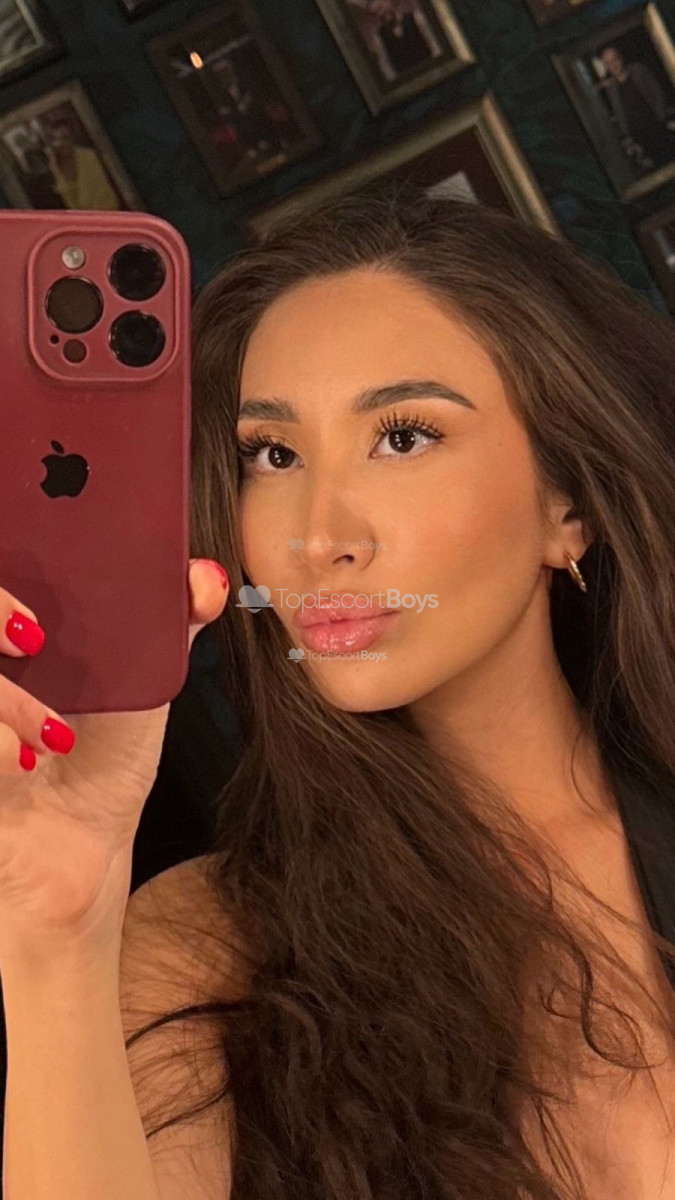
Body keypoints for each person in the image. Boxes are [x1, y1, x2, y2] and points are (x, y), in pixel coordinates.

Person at [0, 182, 674, 1200]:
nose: (318, 537)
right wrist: (55, 936)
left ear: (566, 508)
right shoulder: (211, 951)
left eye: (402, 437)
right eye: (272, 455)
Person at [44, 115, 122, 210]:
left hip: (106, 211)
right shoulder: (53, 165)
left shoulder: (89, 156)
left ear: (72, 138)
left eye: (65, 138)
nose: (61, 143)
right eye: (55, 139)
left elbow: (102, 191)